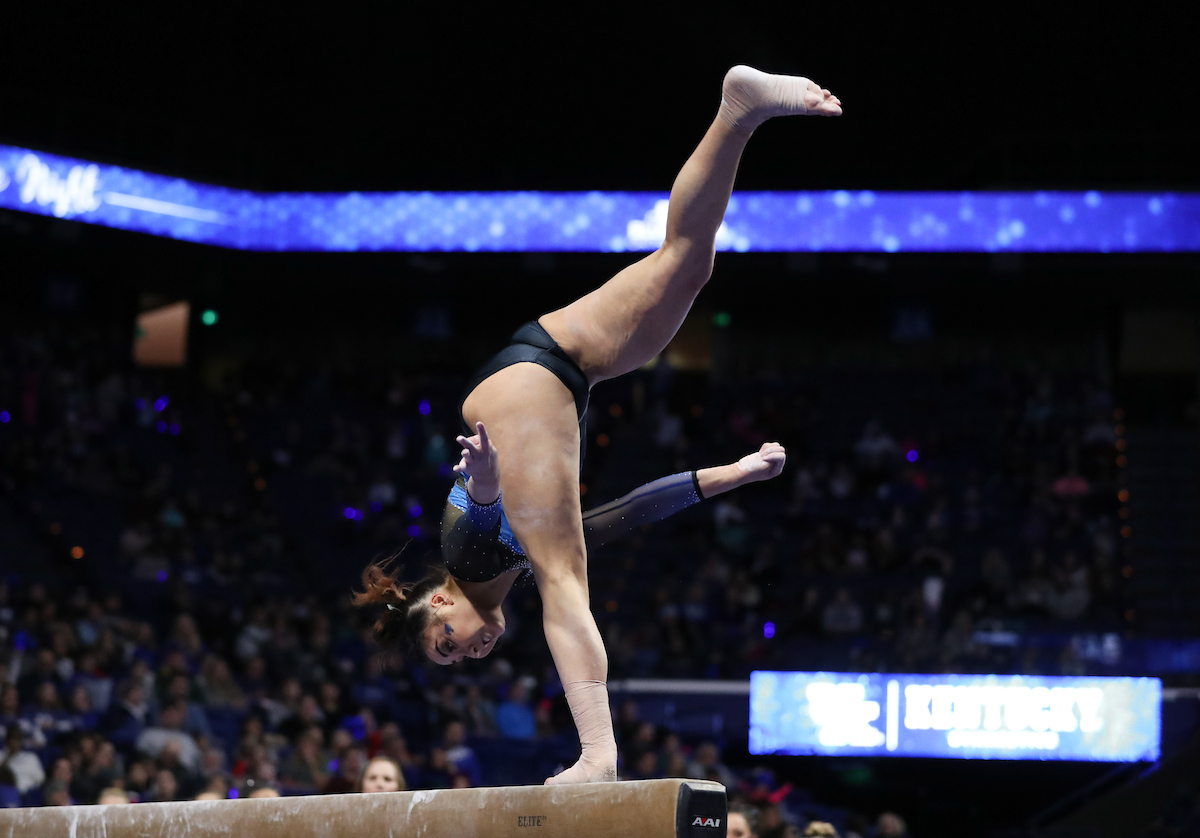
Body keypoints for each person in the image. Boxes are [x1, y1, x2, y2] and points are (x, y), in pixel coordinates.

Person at [355, 65, 841, 784]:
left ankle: (597, 755)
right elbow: (621, 516)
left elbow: (476, 510)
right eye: (458, 659)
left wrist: (484, 478)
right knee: (687, 263)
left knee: (565, 580)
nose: (470, 652)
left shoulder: (468, 557)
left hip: (522, 390)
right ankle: (738, 113)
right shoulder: (505, 569)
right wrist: (729, 476)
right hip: (557, 366)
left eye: (448, 644)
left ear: (440, 601)